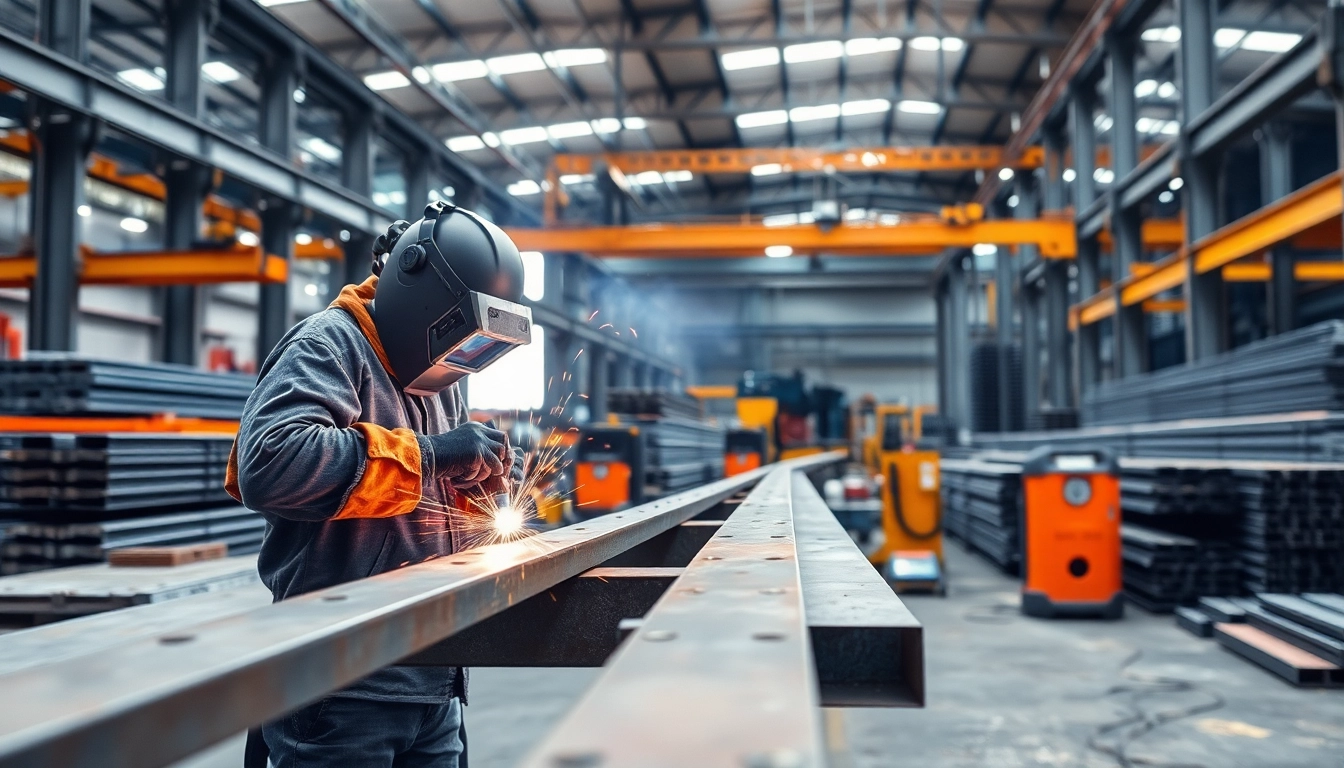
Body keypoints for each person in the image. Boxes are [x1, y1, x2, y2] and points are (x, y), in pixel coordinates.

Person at [226, 202, 534, 767]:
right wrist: (436, 453)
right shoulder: (328, 346)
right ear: (420, 294)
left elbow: (423, 497)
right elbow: (270, 463)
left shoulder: (439, 373)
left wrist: (483, 486)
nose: (460, 361)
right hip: (341, 687)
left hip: (433, 675)